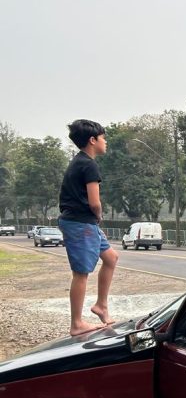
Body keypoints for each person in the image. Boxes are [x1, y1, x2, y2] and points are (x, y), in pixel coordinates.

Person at [57, 119, 119, 336]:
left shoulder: (80, 162)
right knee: (81, 273)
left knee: (111, 258)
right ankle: (76, 323)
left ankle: (101, 305)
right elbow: (94, 202)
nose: (106, 142)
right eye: (103, 138)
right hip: (80, 223)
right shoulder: (88, 164)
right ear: (92, 140)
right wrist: (99, 216)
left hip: (83, 222)